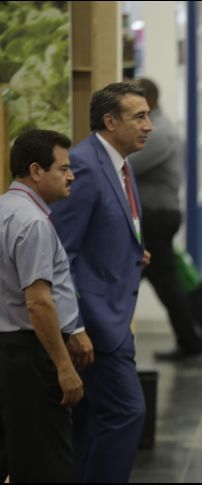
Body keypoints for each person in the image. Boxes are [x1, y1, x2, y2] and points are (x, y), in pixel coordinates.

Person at [50, 82, 152, 482]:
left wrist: (132, 253)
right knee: (128, 412)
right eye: (139, 117)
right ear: (110, 121)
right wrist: (75, 325)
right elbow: (61, 254)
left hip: (111, 316)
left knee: (91, 422)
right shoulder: (86, 167)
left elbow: (107, 230)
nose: (150, 126)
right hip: (95, 324)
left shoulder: (120, 163)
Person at [0, 130, 85, 482]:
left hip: (7, 352)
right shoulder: (32, 223)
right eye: (63, 168)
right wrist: (64, 367)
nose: (71, 176)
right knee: (45, 463)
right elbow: (37, 303)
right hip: (28, 355)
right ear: (36, 171)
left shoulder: (5, 208)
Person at [127, 78, 202, 360]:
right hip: (157, 216)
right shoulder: (158, 128)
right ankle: (190, 339)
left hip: (157, 217)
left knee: (164, 281)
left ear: (147, 98)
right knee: (162, 280)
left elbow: (125, 165)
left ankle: (191, 341)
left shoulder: (157, 133)